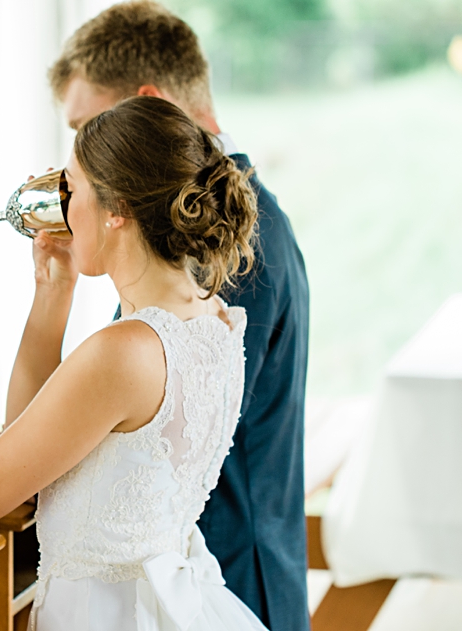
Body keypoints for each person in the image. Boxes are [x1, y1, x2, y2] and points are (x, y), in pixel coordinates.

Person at [0, 96, 265, 630]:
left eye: (72, 187)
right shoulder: (216, 320)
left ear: (118, 211)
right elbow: (26, 450)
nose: (62, 207)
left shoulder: (124, 352)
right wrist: (52, 293)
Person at [42, 3, 311, 629]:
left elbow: (171, 426)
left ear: (147, 105)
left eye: (90, 126)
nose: (78, 165)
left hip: (226, 581)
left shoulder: (230, 250)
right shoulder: (209, 232)